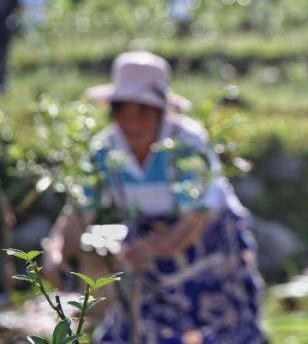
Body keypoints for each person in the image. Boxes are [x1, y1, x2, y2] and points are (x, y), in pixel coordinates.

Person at [42, 51, 265, 343]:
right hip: (146, 248)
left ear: (161, 111)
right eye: (122, 109)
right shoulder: (105, 149)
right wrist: (56, 252)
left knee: (218, 328)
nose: (131, 121)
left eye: (143, 111)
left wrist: (152, 248)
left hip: (207, 247)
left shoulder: (186, 144)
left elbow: (194, 221)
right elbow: (80, 210)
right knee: (137, 326)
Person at [0, 0, 19, 94]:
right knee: (3, 59)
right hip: (4, 30)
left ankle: (2, 84)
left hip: (3, 31)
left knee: (3, 58)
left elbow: (16, 8)